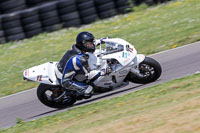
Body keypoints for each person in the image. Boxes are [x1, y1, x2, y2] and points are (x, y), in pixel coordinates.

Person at [55, 31, 110, 98]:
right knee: (89, 90)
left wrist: (104, 40)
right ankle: (71, 94)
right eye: (89, 43)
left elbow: (93, 43)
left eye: (91, 42)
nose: (92, 45)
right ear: (83, 44)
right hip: (66, 81)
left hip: (65, 69)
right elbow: (89, 75)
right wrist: (104, 71)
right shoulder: (80, 59)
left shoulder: (78, 47)